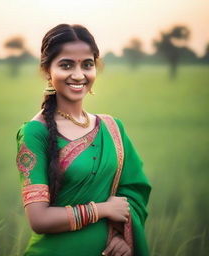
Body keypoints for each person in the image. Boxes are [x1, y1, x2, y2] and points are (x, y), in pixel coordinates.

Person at [15, 23, 151, 256]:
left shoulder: (112, 128)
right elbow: (39, 219)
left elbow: (134, 192)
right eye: (66, 65)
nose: (78, 75)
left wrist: (121, 236)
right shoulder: (35, 133)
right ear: (48, 70)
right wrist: (102, 210)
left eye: (87, 64)